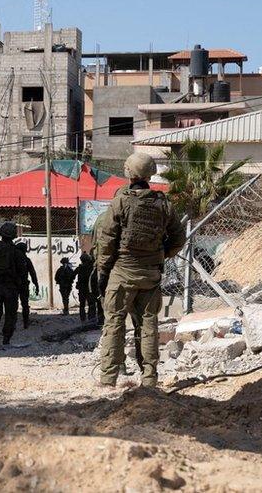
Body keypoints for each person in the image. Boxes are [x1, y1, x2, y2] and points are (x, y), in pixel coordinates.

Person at [97, 152, 185, 388]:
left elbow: (107, 241)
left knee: (114, 323)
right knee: (148, 324)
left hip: (122, 273)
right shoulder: (163, 203)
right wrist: (159, 255)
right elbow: (178, 238)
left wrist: (102, 273)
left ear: (129, 172)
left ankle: (108, 377)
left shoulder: (121, 201)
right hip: (150, 275)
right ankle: (149, 377)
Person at [14, 242, 39, 329]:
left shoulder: (13, 260)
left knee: (14, 305)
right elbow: (33, 274)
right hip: (23, 285)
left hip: (15, 285)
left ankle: (13, 324)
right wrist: (36, 285)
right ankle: (25, 323)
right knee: (25, 305)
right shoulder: (26, 260)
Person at [75, 253, 95, 322]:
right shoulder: (90, 268)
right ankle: (91, 318)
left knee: (82, 305)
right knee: (91, 304)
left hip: (82, 289)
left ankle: (83, 319)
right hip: (89, 289)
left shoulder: (80, 268)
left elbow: (72, 275)